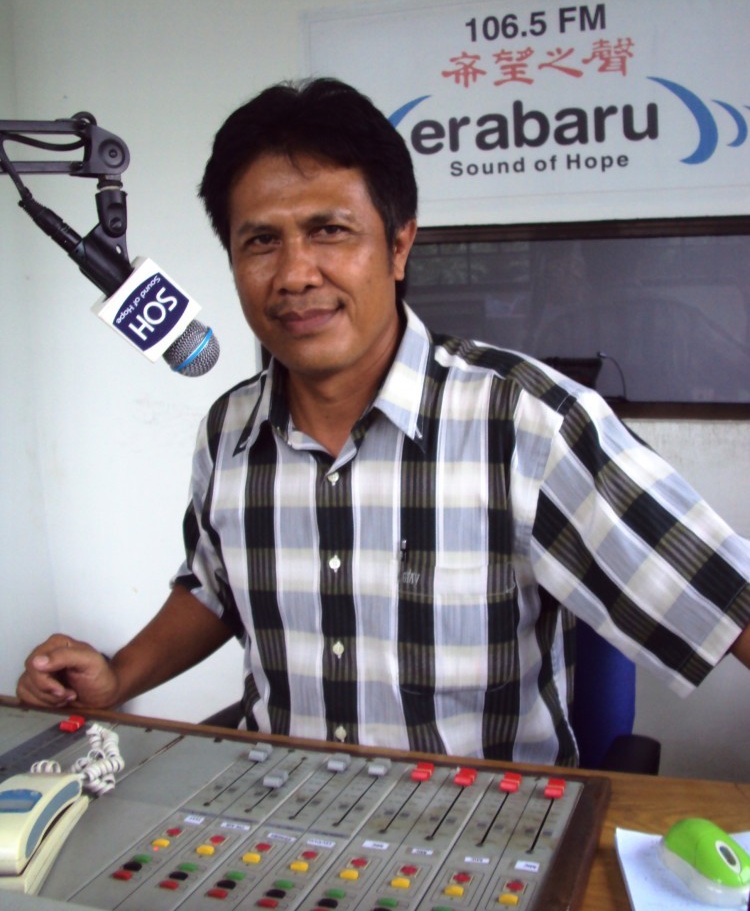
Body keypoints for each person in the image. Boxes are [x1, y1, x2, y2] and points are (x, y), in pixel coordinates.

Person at [17, 78, 750, 766]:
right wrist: (118, 675)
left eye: (330, 231)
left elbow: (727, 601)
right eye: (261, 241)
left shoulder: (526, 424)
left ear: (399, 246)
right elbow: (214, 589)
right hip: (276, 817)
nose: (295, 274)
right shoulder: (229, 430)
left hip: (483, 832)